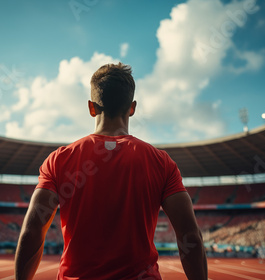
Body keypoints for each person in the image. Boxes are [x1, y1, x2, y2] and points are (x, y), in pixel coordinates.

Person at [15, 63, 207, 279]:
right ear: (132, 108)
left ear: (91, 107)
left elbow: (32, 231)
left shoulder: (59, 159)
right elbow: (189, 234)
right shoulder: (161, 162)